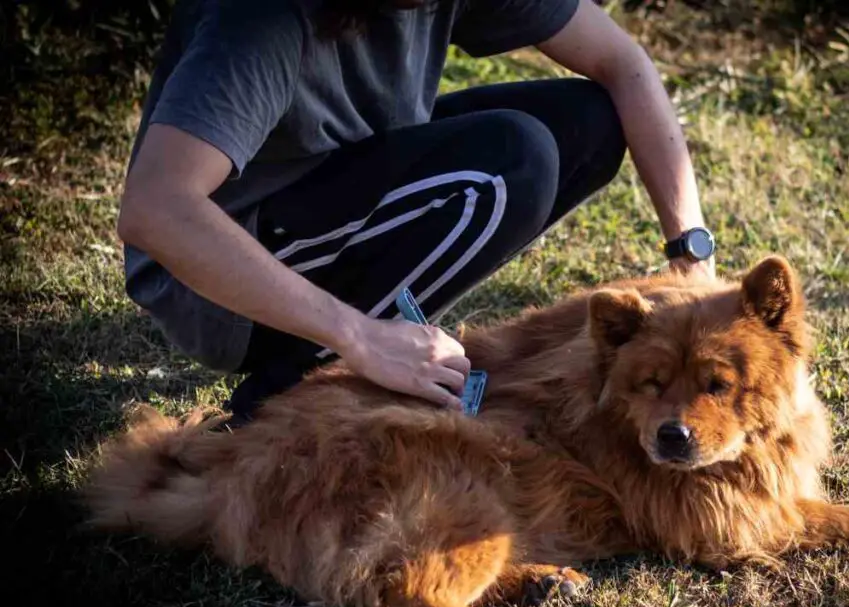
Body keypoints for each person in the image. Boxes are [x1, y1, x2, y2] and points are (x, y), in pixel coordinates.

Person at [117, 0, 717, 426]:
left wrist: (690, 254)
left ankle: (358, 331)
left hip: (330, 181)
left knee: (589, 121)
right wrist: (360, 337)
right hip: (218, 287)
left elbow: (624, 65)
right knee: (513, 159)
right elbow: (157, 209)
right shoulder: (261, 21)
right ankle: (284, 387)